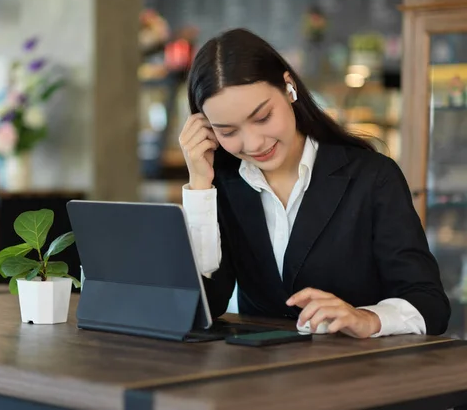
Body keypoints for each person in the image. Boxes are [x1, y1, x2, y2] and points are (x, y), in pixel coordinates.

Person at [179, 28, 450, 338]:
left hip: (358, 374)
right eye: (228, 132)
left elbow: (430, 305)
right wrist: (200, 185)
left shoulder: (372, 177)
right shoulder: (223, 187)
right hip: (259, 379)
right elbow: (198, 307)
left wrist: (366, 318)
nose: (253, 143)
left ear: (289, 88)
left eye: (263, 117)